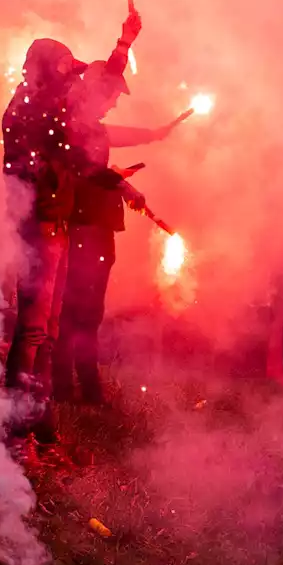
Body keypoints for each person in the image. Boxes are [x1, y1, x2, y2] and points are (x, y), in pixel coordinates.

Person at [2, 11, 142, 454]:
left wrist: (123, 46)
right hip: (39, 222)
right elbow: (82, 128)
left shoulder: (46, 105)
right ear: (46, 72)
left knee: (47, 333)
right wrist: (120, 50)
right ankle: (15, 434)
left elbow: (86, 123)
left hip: (54, 222)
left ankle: (41, 429)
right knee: (31, 332)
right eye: (66, 74)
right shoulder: (32, 108)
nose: (74, 84)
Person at [50, 58, 179, 406]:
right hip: (85, 227)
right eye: (112, 95)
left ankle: (82, 388)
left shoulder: (91, 127)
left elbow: (109, 156)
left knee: (88, 311)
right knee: (77, 309)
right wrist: (120, 181)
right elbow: (91, 172)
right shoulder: (74, 127)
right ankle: (69, 388)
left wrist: (152, 139)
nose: (116, 102)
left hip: (98, 226)